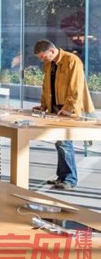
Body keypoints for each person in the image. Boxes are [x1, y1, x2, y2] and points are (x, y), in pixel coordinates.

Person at [33, 39, 95, 190]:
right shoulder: (49, 63)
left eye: (43, 56)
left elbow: (76, 87)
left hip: (67, 110)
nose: (42, 60)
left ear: (52, 51)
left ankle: (69, 179)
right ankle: (62, 177)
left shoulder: (72, 60)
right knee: (60, 143)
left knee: (64, 143)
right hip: (56, 109)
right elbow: (46, 86)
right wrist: (43, 105)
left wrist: (69, 108)